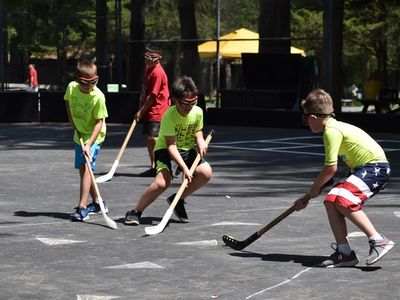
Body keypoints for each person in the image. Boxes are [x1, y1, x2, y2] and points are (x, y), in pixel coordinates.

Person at [294, 89, 394, 267]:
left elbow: (330, 169)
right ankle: (345, 253)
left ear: (314, 118)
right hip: (363, 168)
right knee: (331, 200)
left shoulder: (331, 131)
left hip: (375, 168)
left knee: (343, 199)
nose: (306, 122)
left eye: (305, 118)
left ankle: (378, 240)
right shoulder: (334, 126)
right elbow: (331, 173)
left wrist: (311, 191)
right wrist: (318, 188)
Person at [125, 76, 212, 225]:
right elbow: (171, 146)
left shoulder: (197, 112)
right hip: (166, 150)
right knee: (161, 183)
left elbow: (198, 130)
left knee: (206, 172)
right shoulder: (169, 116)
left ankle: (178, 199)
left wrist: (200, 140)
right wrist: (185, 168)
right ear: (174, 100)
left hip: (186, 149)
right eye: (185, 103)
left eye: (193, 102)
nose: (189, 107)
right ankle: (136, 211)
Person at [65, 57, 109, 221]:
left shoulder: (98, 97)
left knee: (86, 166)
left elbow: (99, 122)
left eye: (94, 81)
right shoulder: (71, 88)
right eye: (85, 83)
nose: (90, 86)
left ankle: (82, 207)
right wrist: (72, 122)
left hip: (94, 136)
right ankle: (98, 202)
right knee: (84, 171)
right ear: (77, 80)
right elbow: (68, 103)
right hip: (79, 134)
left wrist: (90, 143)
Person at [135, 44, 170, 177]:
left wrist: (141, 111)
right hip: (150, 108)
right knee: (148, 137)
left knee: (153, 137)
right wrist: (141, 107)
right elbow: (145, 91)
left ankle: (166, 160)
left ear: (158, 58)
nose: (149, 59)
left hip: (158, 109)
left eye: (152, 57)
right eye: (147, 56)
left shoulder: (157, 72)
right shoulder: (148, 69)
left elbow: (153, 95)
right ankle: (154, 166)